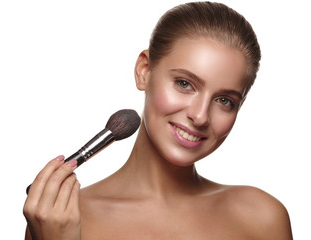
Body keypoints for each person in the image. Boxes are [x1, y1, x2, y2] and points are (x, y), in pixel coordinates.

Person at [23, 2, 293, 239]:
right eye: (184, 83)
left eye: (225, 101)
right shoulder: (60, 218)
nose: (200, 116)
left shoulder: (262, 217)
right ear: (144, 71)